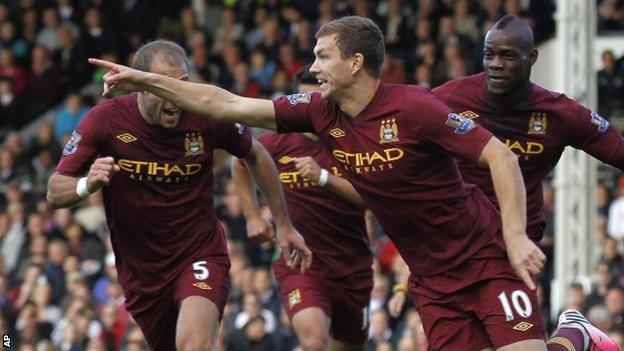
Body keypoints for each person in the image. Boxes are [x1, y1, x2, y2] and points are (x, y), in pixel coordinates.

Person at [90, 16, 548, 351]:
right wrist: (145, 81)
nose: (313, 67)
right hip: (432, 278)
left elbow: (498, 155)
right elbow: (225, 104)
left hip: (485, 255)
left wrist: (513, 236)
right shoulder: (316, 111)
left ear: (355, 61)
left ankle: (573, 339)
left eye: (322, 56)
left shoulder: (415, 107)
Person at [47, 40, 312, 351]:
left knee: (194, 345)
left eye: (182, 84)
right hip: (142, 274)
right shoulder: (106, 120)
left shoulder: (205, 115)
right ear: (143, 85)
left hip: (199, 252)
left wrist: (282, 223)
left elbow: (256, 154)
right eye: (165, 85)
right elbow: (55, 190)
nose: (176, 95)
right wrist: (86, 184)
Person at [388, 14, 624, 351]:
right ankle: (575, 335)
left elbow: (617, 148)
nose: (495, 64)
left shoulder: (559, 113)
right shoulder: (448, 99)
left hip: (510, 251)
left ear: (532, 58)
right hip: (450, 255)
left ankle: (575, 331)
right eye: (489, 55)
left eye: (507, 56)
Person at [232, 65, 372, 351]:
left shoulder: (351, 141)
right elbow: (242, 161)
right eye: (304, 104)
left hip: (352, 265)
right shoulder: (276, 144)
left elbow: (371, 197)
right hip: (301, 263)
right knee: (314, 342)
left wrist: (323, 177)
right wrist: (253, 215)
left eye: (319, 101)